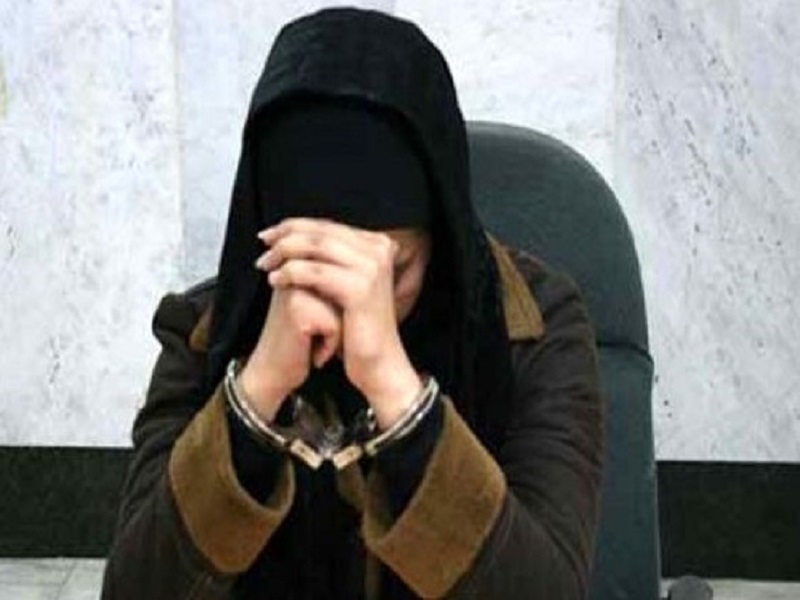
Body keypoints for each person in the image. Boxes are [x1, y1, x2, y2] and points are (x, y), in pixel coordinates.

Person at [101, 7, 605, 600]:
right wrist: (256, 394)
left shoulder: (539, 327)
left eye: (391, 273)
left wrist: (397, 393)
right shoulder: (202, 332)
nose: (350, 308)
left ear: (441, 234)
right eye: (311, 267)